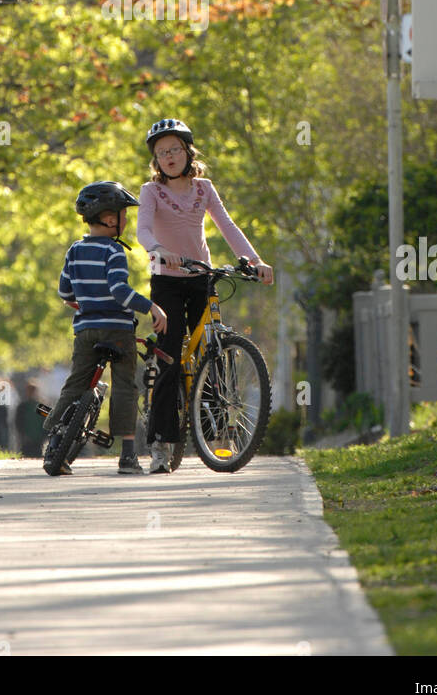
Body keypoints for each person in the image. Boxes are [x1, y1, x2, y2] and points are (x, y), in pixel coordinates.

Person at [136, 118, 274, 474]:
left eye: (175, 149)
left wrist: (254, 261)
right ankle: (161, 445)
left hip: (201, 276)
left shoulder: (204, 188)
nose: (169, 156)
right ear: (156, 158)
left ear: (187, 152)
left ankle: (220, 434)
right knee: (170, 358)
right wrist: (156, 249)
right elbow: (144, 228)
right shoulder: (151, 191)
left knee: (216, 352)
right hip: (167, 278)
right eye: (162, 152)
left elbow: (227, 225)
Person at [43, 181, 168, 476]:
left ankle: (54, 438)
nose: (126, 220)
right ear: (110, 219)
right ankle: (127, 457)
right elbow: (120, 291)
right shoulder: (113, 251)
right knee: (125, 387)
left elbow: (65, 294)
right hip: (118, 330)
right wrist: (152, 307)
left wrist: (86, 304)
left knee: (76, 384)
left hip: (86, 331)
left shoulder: (74, 250)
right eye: (124, 214)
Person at [15, 380, 46, 457]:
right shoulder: (22, 406)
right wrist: (22, 435)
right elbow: (18, 422)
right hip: (26, 440)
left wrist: (44, 436)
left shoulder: (41, 406)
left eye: (33, 391)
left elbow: (48, 421)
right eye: (29, 391)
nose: (31, 393)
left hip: (38, 440)